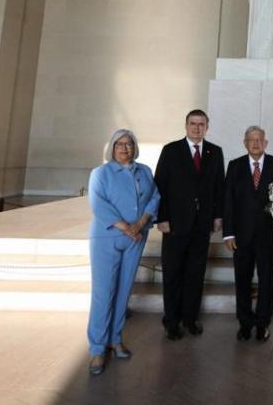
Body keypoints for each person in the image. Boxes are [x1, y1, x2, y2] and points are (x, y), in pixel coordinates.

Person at [86, 129, 160, 375]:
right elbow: (99, 204)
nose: (125, 148)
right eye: (120, 144)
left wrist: (140, 224)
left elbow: (155, 198)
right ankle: (97, 348)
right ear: (112, 147)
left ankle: (114, 339)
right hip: (108, 237)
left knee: (124, 290)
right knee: (103, 292)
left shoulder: (145, 171)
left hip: (136, 237)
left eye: (129, 144)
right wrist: (125, 226)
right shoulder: (101, 173)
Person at [155, 109, 225, 340]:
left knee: (195, 274)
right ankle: (171, 321)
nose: (197, 128)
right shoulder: (171, 150)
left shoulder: (215, 152)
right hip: (175, 224)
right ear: (186, 126)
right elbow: (160, 187)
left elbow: (218, 188)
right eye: (193, 124)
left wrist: (217, 216)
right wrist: (161, 218)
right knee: (173, 273)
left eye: (201, 124)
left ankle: (190, 319)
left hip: (202, 224)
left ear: (207, 127)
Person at [223, 126, 273, 343]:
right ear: (245, 143)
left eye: (260, 140)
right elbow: (228, 201)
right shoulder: (235, 166)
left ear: (266, 143)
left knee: (267, 280)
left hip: (269, 235)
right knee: (242, 280)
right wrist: (228, 234)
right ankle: (245, 323)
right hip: (240, 237)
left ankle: (262, 324)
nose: (256, 143)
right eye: (252, 140)